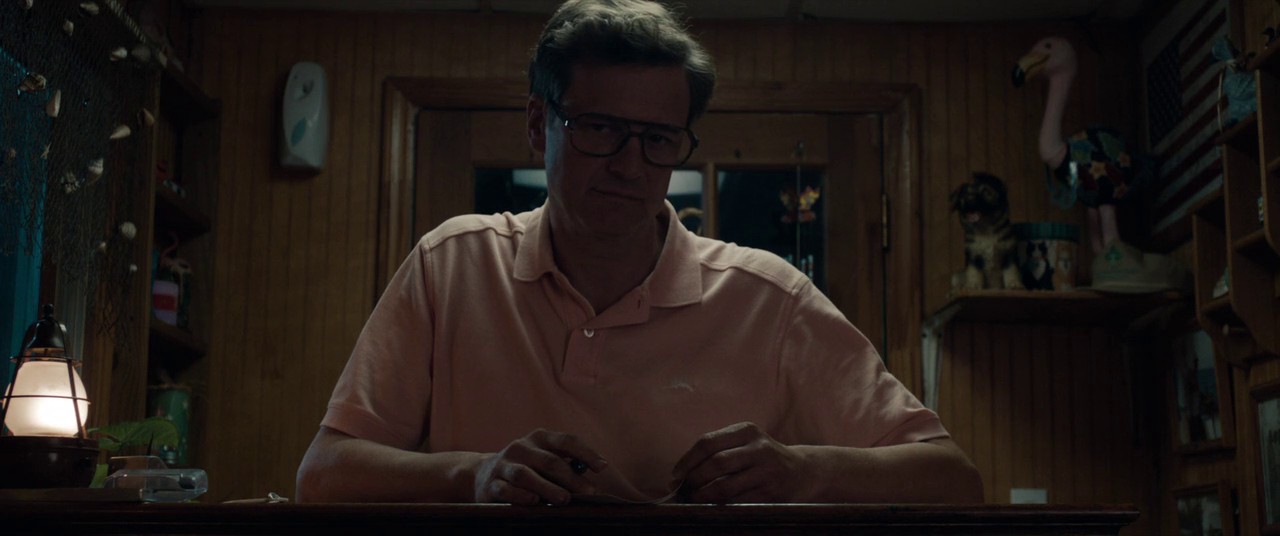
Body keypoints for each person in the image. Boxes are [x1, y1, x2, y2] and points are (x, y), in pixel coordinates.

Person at [296, 0, 982, 505]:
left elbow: (951, 478)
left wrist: (805, 472)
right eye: (599, 128)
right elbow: (323, 474)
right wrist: (473, 475)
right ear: (538, 123)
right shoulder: (451, 265)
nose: (630, 166)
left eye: (658, 139)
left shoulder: (768, 298)